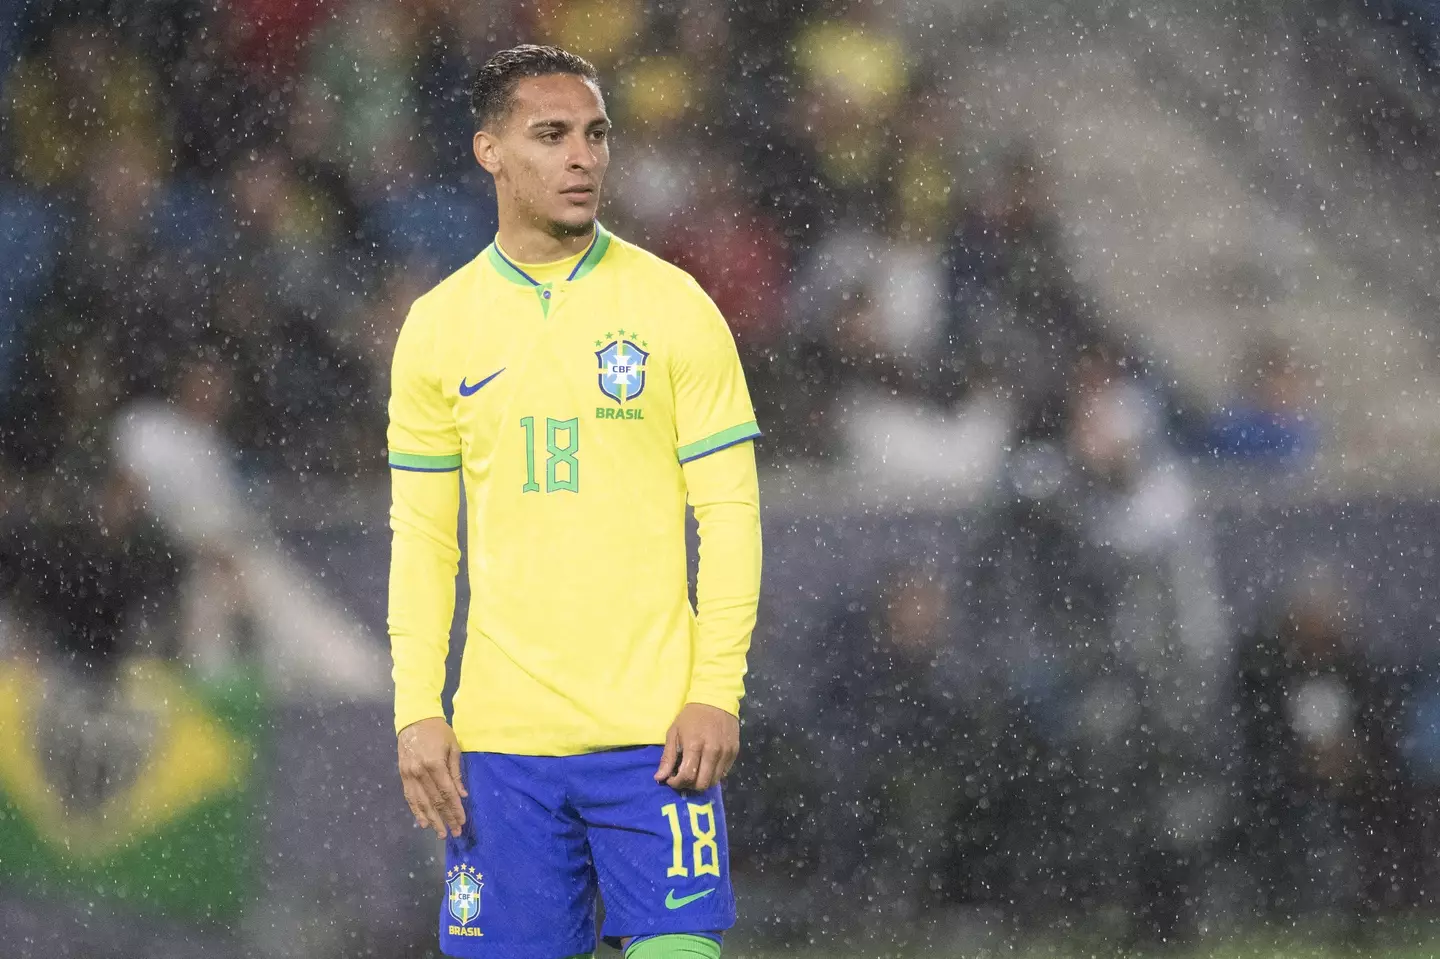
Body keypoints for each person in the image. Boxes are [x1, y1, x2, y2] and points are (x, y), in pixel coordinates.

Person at [385, 45, 763, 959]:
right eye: (550, 135)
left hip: (657, 742)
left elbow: (732, 514)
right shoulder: (438, 327)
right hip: (501, 750)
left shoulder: (676, 308)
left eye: (595, 135)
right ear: (490, 151)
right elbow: (425, 540)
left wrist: (716, 691)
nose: (581, 157)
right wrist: (416, 708)